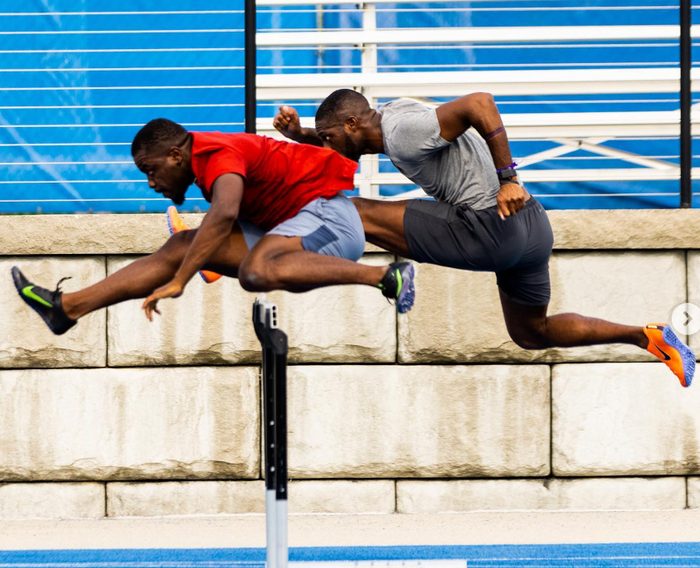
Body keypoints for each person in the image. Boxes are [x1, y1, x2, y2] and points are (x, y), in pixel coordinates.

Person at [271, 89, 695, 388]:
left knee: (355, 211)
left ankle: (270, 250)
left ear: (351, 123)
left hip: (489, 226)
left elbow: (480, 103)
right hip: (531, 227)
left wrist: (507, 177)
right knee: (532, 333)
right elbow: (362, 142)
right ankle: (646, 336)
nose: (327, 148)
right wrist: (303, 136)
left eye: (328, 139)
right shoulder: (389, 120)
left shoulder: (401, 132)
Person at [11, 118, 416, 336]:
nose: (151, 184)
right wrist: (197, 257)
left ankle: (385, 276)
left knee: (255, 270)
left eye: (151, 171)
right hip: (292, 221)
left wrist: (180, 281)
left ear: (175, 155)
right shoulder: (205, 160)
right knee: (181, 246)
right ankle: (67, 309)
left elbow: (224, 213)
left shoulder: (218, 154)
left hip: (331, 220)